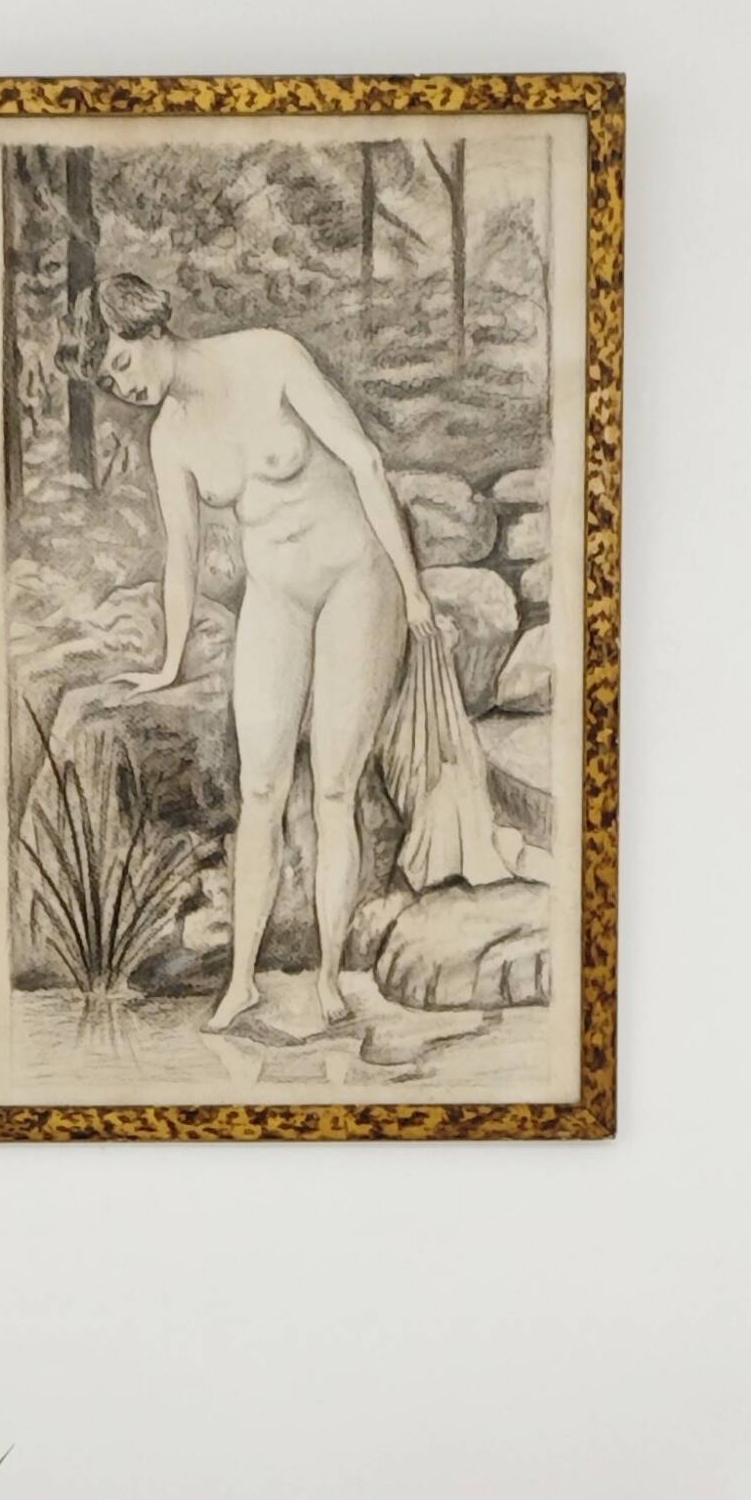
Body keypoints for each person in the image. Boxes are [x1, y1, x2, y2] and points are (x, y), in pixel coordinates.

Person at [96, 275, 435, 1036]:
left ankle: (326, 979)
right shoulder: (168, 437)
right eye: (110, 379)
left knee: (336, 790)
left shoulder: (269, 356)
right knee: (259, 789)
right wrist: (168, 659)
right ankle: (242, 981)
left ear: (146, 327)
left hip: (358, 580)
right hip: (275, 595)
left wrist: (413, 588)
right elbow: (180, 556)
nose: (123, 385)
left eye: (121, 364)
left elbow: (366, 461)